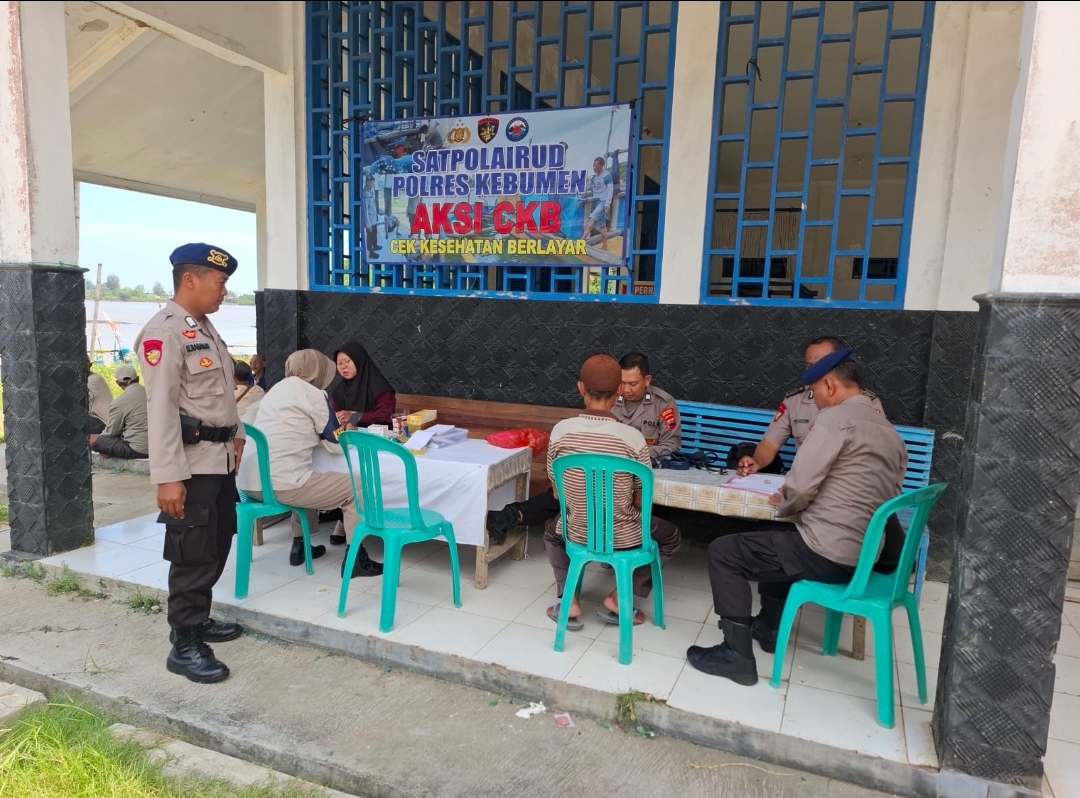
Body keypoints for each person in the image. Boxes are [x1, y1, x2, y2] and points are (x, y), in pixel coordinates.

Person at [686, 348, 907, 686]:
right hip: (866, 554)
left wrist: (788, 503)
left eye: (816, 391)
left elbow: (800, 487)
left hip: (829, 552)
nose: (814, 400)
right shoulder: (889, 431)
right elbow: (889, 493)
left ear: (830, 385)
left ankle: (736, 655)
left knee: (724, 552)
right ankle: (768, 626)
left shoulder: (833, 419)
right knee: (775, 538)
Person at [735, 335, 900, 654]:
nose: (811, 370)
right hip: (809, 490)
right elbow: (770, 444)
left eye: (819, 364)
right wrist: (755, 461)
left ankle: (771, 621)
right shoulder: (796, 401)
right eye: (808, 364)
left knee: (780, 537)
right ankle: (770, 622)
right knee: (780, 534)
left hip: (839, 501)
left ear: (838, 368)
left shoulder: (864, 405)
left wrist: (792, 500)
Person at [135, 242, 247, 684]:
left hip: (218, 460)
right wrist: (167, 477)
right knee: (192, 553)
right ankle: (183, 644)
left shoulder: (204, 329)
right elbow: (160, 408)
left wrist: (237, 436)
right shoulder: (164, 333)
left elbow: (222, 396)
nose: (224, 291)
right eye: (220, 282)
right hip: (191, 464)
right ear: (190, 280)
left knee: (218, 541)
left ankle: (197, 619)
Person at [543, 354, 681, 629]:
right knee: (671, 537)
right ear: (618, 389)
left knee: (552, 532)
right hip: (626, 534)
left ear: (580, 387)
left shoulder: (561, 432)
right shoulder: (633, 438)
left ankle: (569, 600)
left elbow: (558, 494)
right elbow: (641, 501)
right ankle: (619, 598)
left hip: (577, 528)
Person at [238, 350, 383, 577]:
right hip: (281, 486)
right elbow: (336, 442)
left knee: (310, 473)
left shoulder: (275, 390)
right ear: (318, 371)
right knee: (358, 485)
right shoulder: (314, 394)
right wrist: (348, 428)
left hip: (248, 484)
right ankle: (356, 558)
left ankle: (300, 546)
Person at [612, 352, 681, 463]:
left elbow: (671, 446)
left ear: (647, 380)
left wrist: (635, 454)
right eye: (622, 383)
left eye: (633, 384)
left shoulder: (663, 403)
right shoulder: (611, 399)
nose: (626, 389)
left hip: (649, 465)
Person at [329, 342, 395, 429]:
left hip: (376, 434)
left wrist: (354, 416)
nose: (343, 366)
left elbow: (384, 416)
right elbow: (332, 415)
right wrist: (339, 419)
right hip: (348, 434)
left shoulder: (380, 387)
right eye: (339, 363)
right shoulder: (339, 390)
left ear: (358, 360)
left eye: (347, 361)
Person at [89, 364, 148, 459]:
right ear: (138, 378)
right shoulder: (150, 394)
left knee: (91, 439)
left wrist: (102, 446)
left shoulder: (120, 401)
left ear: (118, 383)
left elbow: (111, 432)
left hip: (138, 450)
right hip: (157, 446)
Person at [583, 157, 613, 248]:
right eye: (593, 165)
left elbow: (610, 190)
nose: (594, 167)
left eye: (596, 166)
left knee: (591, 219)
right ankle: (605, 246)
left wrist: (607, 203)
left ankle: (581, 241)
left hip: (603, 202)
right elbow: (587, 187)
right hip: (597, 202)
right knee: (602, 227)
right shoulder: (594, 178)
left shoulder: (607, 176)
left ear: (602, 165)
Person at [87, 360, 111, 435]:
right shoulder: (94, 377)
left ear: (89, 365)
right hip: (100, 420)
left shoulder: (92, 380)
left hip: (103, 422)